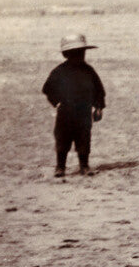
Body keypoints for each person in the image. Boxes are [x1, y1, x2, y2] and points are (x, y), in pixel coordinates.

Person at [42, 33, 106, 178]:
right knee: (62, 139)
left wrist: (99, 107)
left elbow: (99, 90)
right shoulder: (59, 71)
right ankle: (60, 167)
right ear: (67, 54)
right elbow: (47, 88)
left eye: (81, 52)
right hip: (65, 112)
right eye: (75, 53)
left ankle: (84, 166)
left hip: (84, 113)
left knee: (84, 139)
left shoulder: (89, 71)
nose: (79, 55)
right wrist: (56, 103)